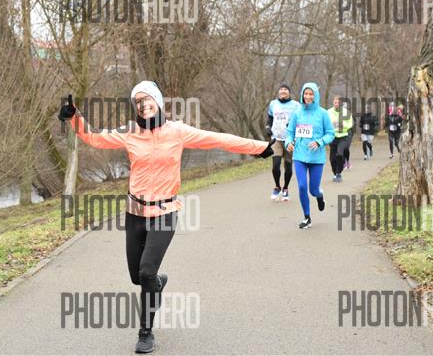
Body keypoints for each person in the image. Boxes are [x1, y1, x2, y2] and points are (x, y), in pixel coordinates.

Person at [58, 81, 274, 353]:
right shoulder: (129, 132)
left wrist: (259, 147)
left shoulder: (178, 131)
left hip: (165, 212)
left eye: (147, 99)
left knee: (146, 270)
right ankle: (157, 284)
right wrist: (74, 118)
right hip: (136, 212)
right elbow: (96, 137)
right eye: (138, 101)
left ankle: (145, 332)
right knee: (138, 277)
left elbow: (218, 139)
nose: (143, 105)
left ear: (158, 102)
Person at [284, 82, 335, 229]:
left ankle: (319, 196)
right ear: (302, 95)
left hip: (316, 157)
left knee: (313, 190)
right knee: (301, 186)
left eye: (311, 94)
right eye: (305, 94)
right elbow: (290, 133)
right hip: (299, 156)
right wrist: (288, 143)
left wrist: (320, 142)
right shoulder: (297, 113)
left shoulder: (323, 113)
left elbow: (330, 134)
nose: (308, 96)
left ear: (315, 95)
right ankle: (307, 217)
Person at [265, 84, 300, 201]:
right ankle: (277, 186)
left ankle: (285, 188)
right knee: (275, 165)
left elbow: (301, 120)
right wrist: (267, 127)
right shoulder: (273, 104)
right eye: (281, 89)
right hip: (276, 139)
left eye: (285, 89)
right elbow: (270, 118)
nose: (283, 91)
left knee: (288, 166)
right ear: (279, 92)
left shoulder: (296, 105)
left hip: (290, 140)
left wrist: (294, 127)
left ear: (289, 92)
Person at [327, 95, 353, 182]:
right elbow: (325, 123)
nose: (336, 104)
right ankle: (335, 173)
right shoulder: (328, 112)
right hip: (332, 136)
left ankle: (339, 172)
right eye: (335, 102)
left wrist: (340, 124)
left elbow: (350, 124)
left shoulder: (346, 112)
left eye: (338, 102)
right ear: (333, 103)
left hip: (343, 136)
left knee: (339, 154)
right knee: (332, 158)